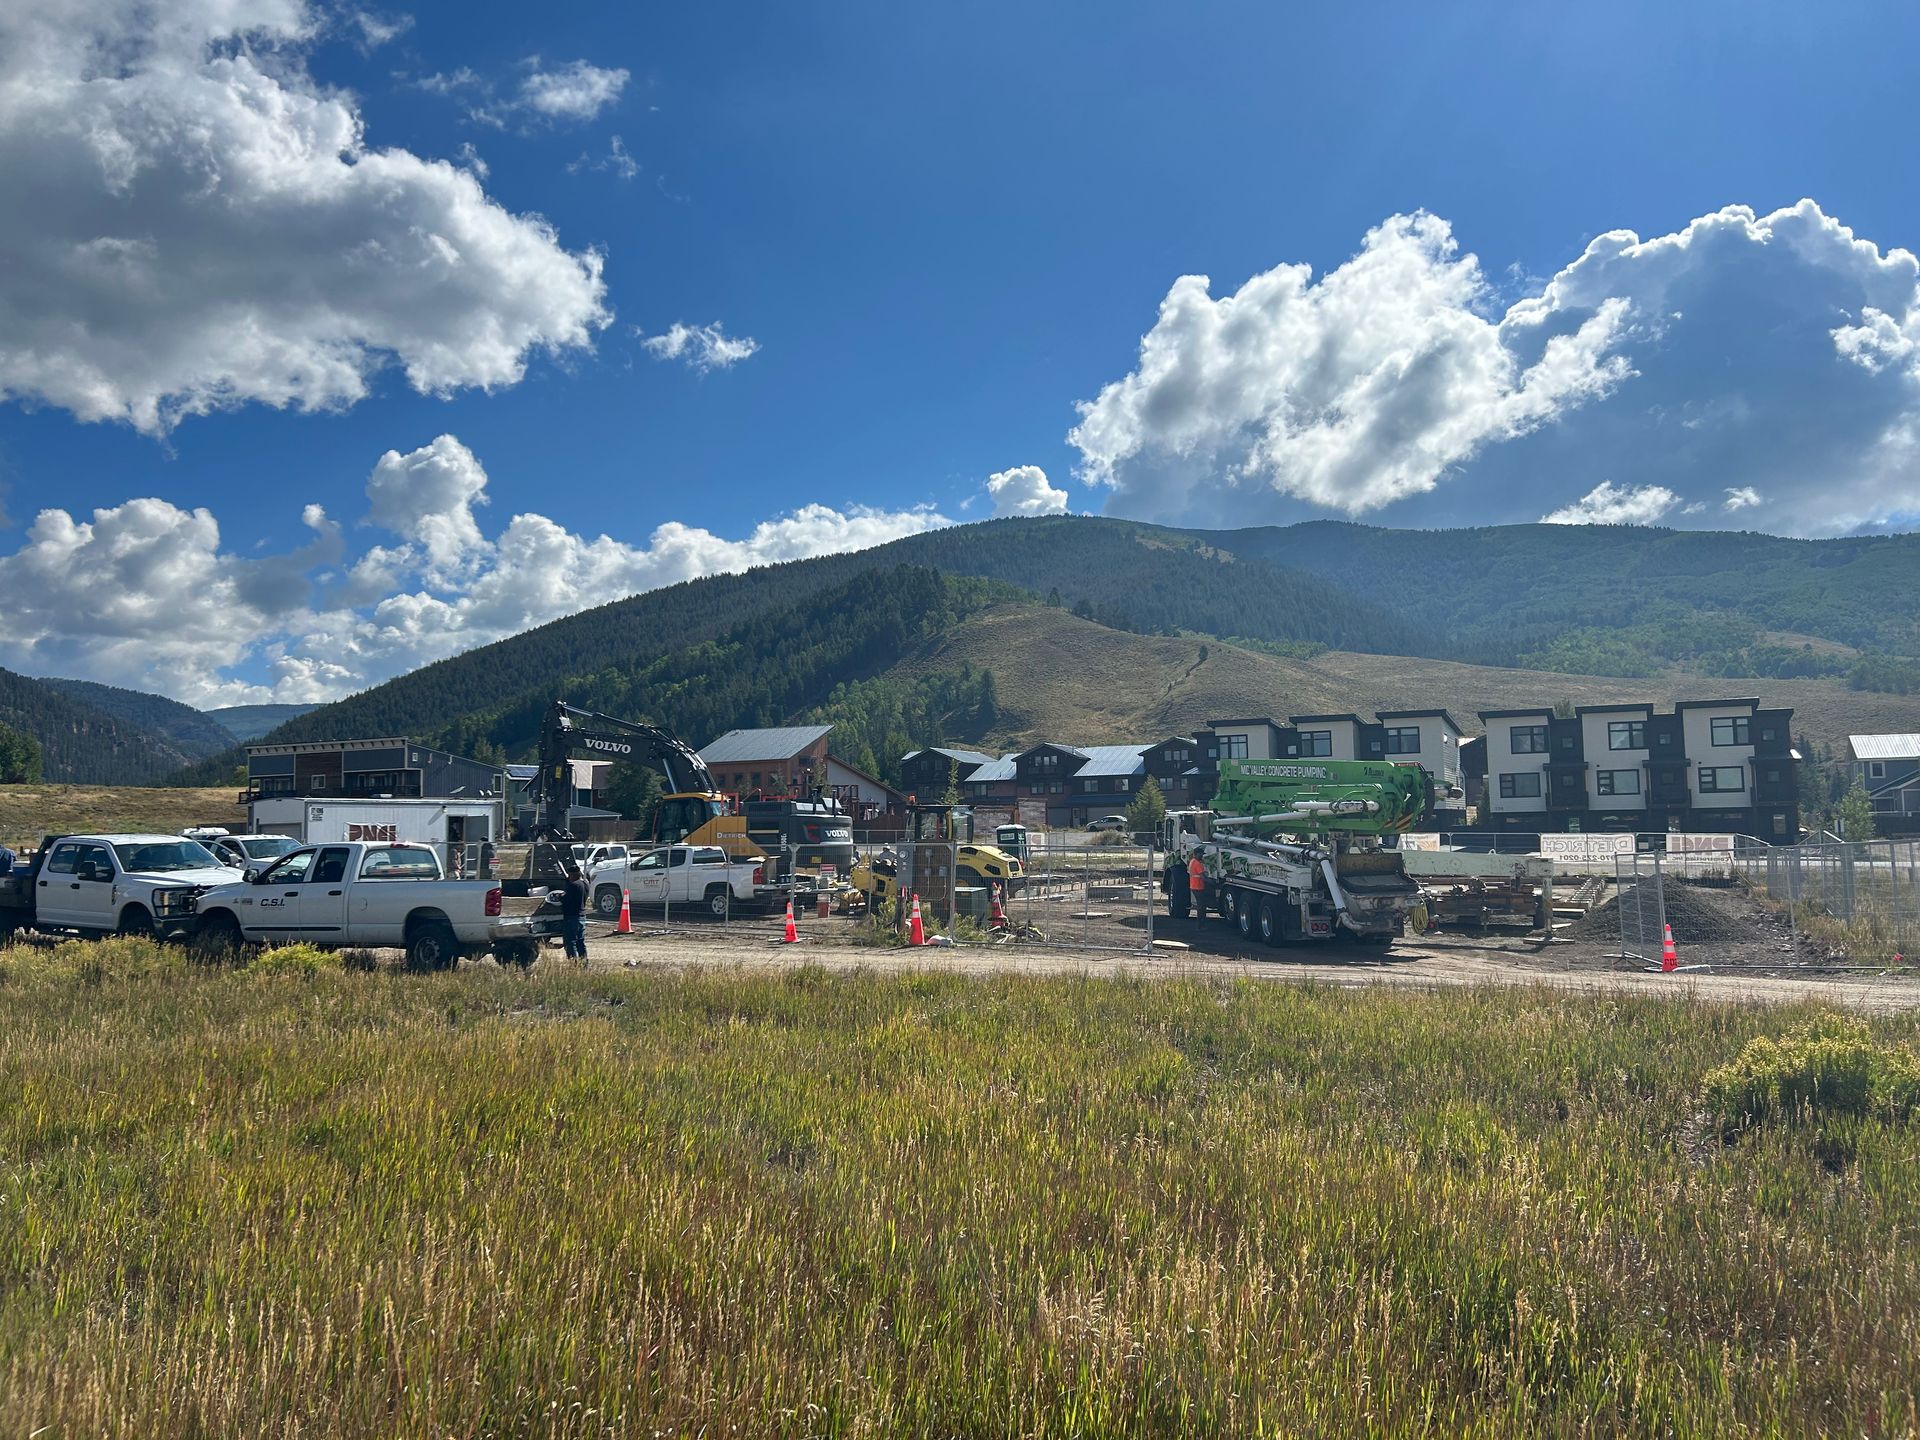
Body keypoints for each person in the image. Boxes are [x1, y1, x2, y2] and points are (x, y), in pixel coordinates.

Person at [560, 860, 589, 965]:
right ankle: (584, 964)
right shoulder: (585, 884)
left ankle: (574, 964)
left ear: (573, 874)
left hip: (572, 917)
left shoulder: (573, 885)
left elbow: (565, 899)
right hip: (582, 916)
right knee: (580, 942)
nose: (569, 877)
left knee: (570, 942)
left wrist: (561, 896)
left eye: (570, 875)